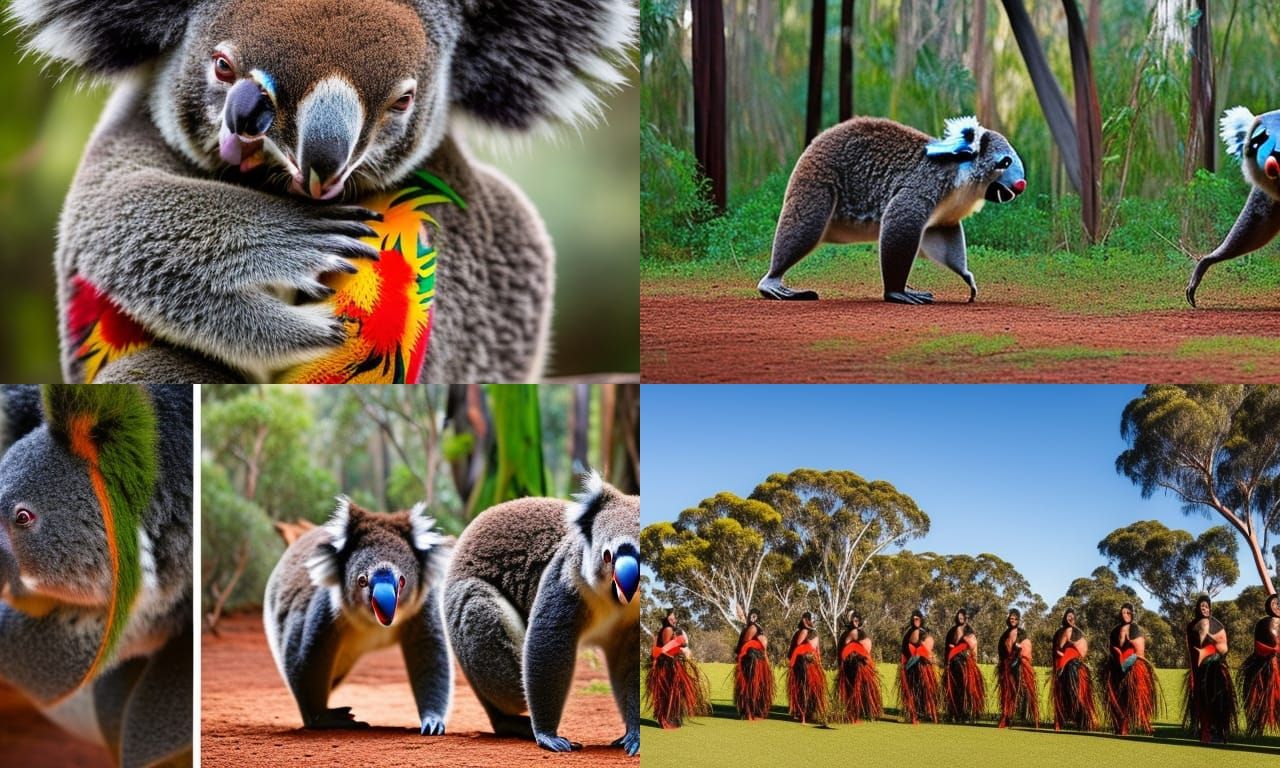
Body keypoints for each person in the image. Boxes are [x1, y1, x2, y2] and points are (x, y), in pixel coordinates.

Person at [645, 608, 711, 728]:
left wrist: (681, 645)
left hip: (670, 665)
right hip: (668, 666)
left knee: (674, 693)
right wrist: (679, 644)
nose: (674, 620)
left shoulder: (670, 630)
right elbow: (666, 649)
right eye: (671, 618)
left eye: (674, 618)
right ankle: (668, 720)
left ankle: (670, 718)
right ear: (666, 618)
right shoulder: (668, 629)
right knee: (670, 692)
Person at [1185, 594, 1237, 743]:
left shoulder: (1217, 625)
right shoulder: (1191, 626)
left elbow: (1224, 648)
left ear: (1210, 609)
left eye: (1207, 606)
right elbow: (1190, 648)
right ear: (1197, 608)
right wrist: (1193, 669)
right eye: (1202, 606)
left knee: (1217, 699)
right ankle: (1205, 730)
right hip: (1199, 671)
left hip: (1216, 668)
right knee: (1201, 700)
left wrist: (1213, 641)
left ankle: (1218, 731)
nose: (1204, 609)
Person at [1101, 603, 1158, 736]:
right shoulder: (1115, 631)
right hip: (1116, 667)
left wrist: (1129, 655)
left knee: (1132, 697)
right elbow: (1111, 647)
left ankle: (1142, 722)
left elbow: (1140, 651)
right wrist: (1116, 657)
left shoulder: (1135, 629)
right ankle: (1119, 725)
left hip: (1133, 665)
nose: (1125, 615)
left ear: (1132, 614)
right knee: (1116, 697)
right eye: (1122, 613)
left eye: (1127, 613)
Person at [1050, 607, 1097, 731]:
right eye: (1068, 616)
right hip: (1066, 666)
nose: (1071, 618)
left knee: (1074, 693)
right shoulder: (1063, 631)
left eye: (1073, 616)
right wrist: (1062, 655)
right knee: (1066, 694)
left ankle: (1080, 720)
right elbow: (1057, 649)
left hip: (1073, 666)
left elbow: (1081, 652)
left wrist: (1068, 653)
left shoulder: (1075, 632)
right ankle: (1063, 721)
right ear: (1064, 618)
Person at [1241, 592, 1280, 738]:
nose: (1277, 607)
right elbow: (1259, 645)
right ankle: (1256, 726)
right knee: (1259, 698)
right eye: (1275, 604)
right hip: (1262, 666)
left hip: (1275, 665)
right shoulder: (1263, 623)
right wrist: (1272, 650)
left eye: (1278, 604)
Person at [834, 610, 883, 723]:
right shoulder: (847, 634)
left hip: (861, 667)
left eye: (857, 620)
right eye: (853, 620)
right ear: (849, 621)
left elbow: (865, 649)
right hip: (851, 668)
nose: (855, 622)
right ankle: (854, 715)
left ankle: (863, 713)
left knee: (863, 691)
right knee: (853, 691)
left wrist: (863, 658)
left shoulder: (859, 633)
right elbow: (843, 652)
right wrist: (855, 657)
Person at [995, 608, 1039, 728]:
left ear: (1018, 620)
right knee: (1007, 693)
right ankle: (1006, 716)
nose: (1013, 620)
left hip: (1019, 665)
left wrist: (1020, 658)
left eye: (1015, 619)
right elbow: (1001, 650)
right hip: (1006, 667)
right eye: (1011, 618)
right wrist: (1003, 663)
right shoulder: (1004, 635)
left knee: (1020, 691)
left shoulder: (1022, 633)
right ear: (1008, 620)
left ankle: (1021, 716)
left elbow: (1027, 651)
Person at [943, 607, 986, 723]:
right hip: (953, 664)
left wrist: (973, 662)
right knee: (953, 689)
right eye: (958, 616)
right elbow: (947, 648)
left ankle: (966, 714)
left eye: (962, 616)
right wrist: (946, 662)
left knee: (966, 690)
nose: (960, 618)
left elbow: (974, 648)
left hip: (965, 664)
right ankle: (954, 713)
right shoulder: (951, 631)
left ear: (966, 618)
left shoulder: (969, 631)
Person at [898, 609, 940, 724]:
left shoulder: (924, 632)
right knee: (912, 692)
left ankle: (928, 712)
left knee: (926, 690)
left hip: (924, 667)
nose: (916, 621)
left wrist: (929, 657)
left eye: (918, 619)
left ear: (921, 620)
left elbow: (927, 647)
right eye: (914, 619)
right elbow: (906, 649)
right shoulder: (908, 633)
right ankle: (913, 714)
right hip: (910, 668)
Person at [785, 612, 828, 723]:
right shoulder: (814, 632)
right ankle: (809, 711)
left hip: (804, 663)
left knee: (802, 687)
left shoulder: (804, 631)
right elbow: (817, 650)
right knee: (810, 688)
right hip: (810, 662)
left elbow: (798, 646)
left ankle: (803, 712)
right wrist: (819, 663)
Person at [734, 608, 775, 720]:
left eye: (755, 616)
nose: (752, 617)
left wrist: (767, 665)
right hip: (750, 663)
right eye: (752, 615)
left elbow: (763, 650)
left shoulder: (755, 628)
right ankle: (749, 712)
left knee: (757, 688)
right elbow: (744, 645)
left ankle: (755, 712)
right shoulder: (752, 628)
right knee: (750, 687)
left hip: (757, 663)